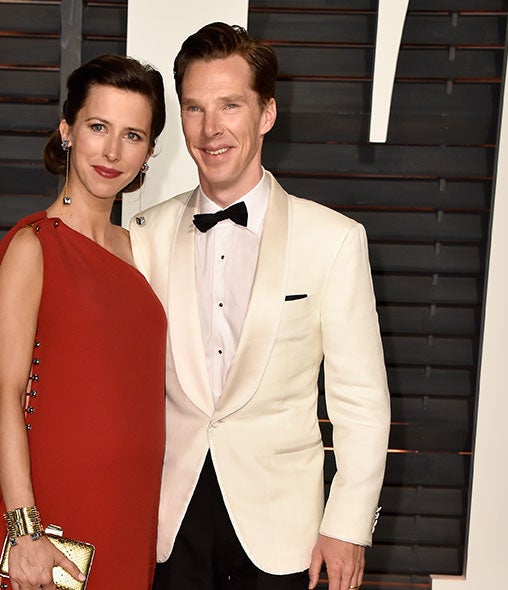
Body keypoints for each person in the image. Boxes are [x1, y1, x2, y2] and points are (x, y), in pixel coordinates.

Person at [129, 23, 391, 590]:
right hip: (167, 526)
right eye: (195, 108)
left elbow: (361, 400)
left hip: (283, 532)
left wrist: (348, 525)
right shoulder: (143, 234)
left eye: (231, 105)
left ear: (267, 113)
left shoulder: (334, 239)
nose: (211, 128)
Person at [0, 54, 167, 590]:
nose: (112, 151)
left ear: (148, 153)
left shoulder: (143, 251)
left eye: (133, 135)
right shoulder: (35, 246)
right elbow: (5, 396)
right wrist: (24, 533)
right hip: (48, 512)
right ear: (67, 130)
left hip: (127, 509)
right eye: (98, 127)